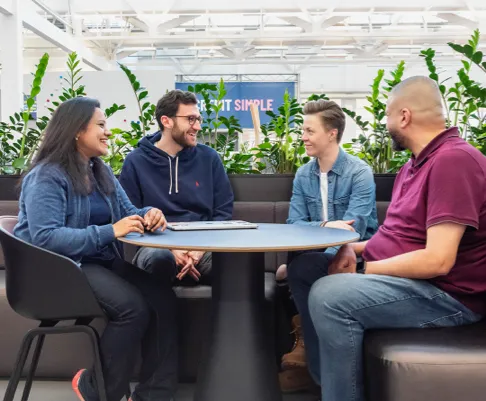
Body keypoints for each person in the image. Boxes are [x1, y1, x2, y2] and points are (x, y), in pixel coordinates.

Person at [287, 76, 486, 401]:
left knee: (330, 295)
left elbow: (438, 260)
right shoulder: (415, 166)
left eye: (388, 115)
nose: (385, 123)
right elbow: (400, 237)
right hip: (412, 281)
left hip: (446, 296)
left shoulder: (454, 161)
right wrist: (354, 248)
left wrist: (363, 271)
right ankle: (327, 380)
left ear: (404, 117)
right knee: (307, 267)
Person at [14, 97, 177, 401]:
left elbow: (129, 212)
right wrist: (110, 231)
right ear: (77, 130)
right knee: (133, 309)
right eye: (101, 125)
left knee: (162, 299)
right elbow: (45, 238)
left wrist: (150, 214)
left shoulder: (99, 171)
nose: (108, 132)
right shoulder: (47, 176)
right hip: (60, 270)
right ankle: (99, 391)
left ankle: (155, 395)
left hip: (97, 263)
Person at [277, 99, 378, 393]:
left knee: (299, 268)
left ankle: (318, 374)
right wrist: (324, 228)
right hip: (310, 256)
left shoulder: (359, 172)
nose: (303, 137)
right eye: (303, 130)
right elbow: (294, 224)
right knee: (300, 265)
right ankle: (322, 378)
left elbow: (354, 230)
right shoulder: (303, 175)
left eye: (310, 131)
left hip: (354, 256)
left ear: (332, 133)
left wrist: (330, 257)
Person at [119, 89, 233, 285]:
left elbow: (223, 211)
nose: (197, 126)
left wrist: (201, 248)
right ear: (167, 121)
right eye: (190, 119)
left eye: (198, 119)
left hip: (204, 246)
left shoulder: (209, 158)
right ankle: (162, 315)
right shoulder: (136, 161)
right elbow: (130, 215)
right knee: (159, 259)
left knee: (233, 263)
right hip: (155, 246)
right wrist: (170, 248)